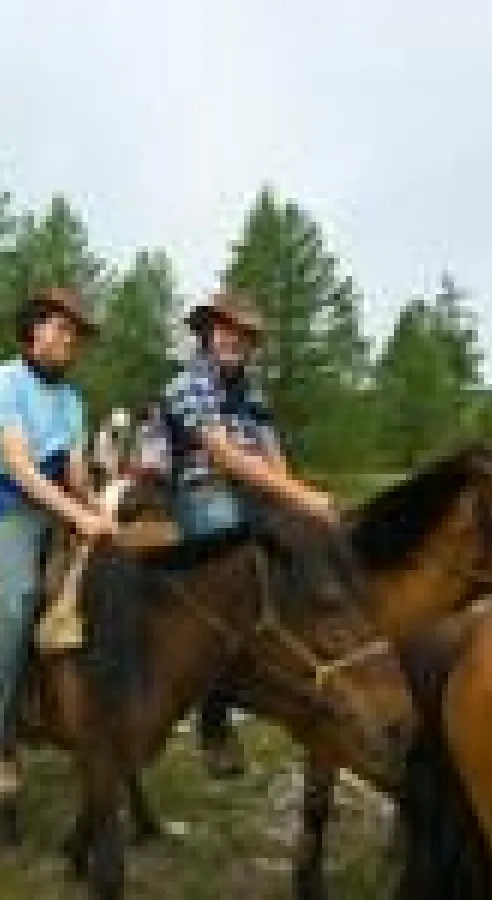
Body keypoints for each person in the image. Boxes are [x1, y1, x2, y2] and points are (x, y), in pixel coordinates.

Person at [0, 286, 116, 839]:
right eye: (62, 328)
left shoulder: (72, 400)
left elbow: (73, 469)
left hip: (57, 501)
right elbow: (20, 468)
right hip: (8, 502)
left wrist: (100, 510)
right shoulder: (1, 381)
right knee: (20, 595)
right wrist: (77, 515)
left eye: (77, 334)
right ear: (33, 331)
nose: (71, 340)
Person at [163, 290, 336, 777]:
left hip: (252, 489)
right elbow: (222, 455)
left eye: (243, 334)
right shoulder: (189, 383)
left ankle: (308, 661)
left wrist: (298, 502)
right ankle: (214, 717)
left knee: (311, 543)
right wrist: (299, 495)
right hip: (202, 487)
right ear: (207, 333)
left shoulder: (250, 391)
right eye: (225, 329)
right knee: (232, 551)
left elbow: (272, 454)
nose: (233, 339)